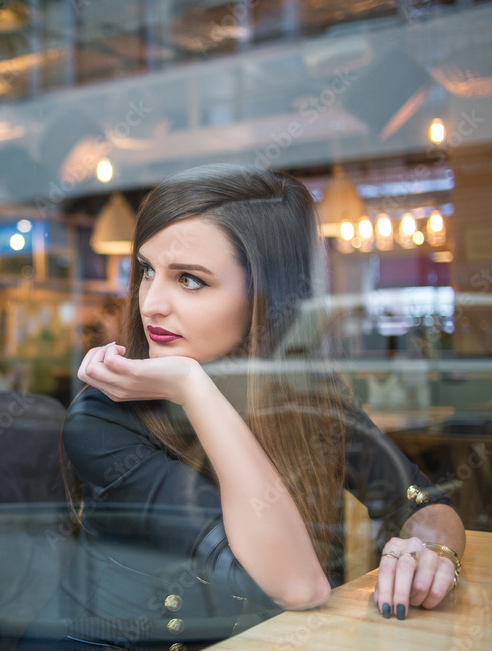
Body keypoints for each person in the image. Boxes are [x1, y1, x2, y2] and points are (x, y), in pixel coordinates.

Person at [35, 164, 465, 648]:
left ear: (268, 297)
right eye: (147, 271)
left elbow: (423, 501)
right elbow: (295, 586)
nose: (150, 302)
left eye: (190, 280)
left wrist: (433, 554)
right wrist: (193, 387)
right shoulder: (103, 419)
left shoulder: (308, 401)